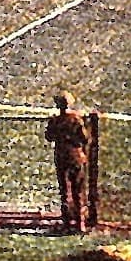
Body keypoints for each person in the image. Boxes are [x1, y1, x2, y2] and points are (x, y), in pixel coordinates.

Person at [45, 90, 91, 230]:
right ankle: (80, 222)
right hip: (75, 156)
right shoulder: (76, 119)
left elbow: (49, 137)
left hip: (61, 155)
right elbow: (84, 139)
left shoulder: (55, 120)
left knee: (64, 189)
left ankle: (66, 221)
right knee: (77, 189)